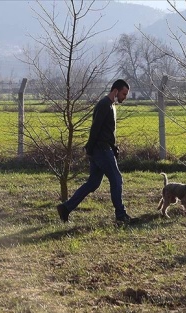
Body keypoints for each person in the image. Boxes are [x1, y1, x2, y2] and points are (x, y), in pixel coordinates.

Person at [56, 79, 134, 225]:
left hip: (103, 148)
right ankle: (121, 215)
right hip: (101, 150)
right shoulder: (104, 105)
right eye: (124, 93)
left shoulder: (111, 105)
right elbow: (95, 128)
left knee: (93, 183)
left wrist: (113, 146)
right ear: (116, 91)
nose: (125, 97)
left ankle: (65, 208)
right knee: (117, 179)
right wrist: (90, 149)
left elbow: (106, 130)